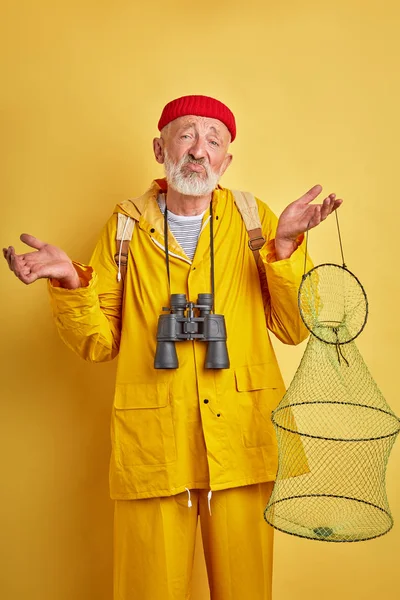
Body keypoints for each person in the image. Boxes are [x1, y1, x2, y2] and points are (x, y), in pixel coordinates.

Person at [3, 95, 342, 600]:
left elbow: (293, 329)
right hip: (153, 442)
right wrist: (72, 282)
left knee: (247, 589)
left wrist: (286, 249)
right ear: (160, 147)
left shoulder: (256, 221)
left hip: (242, 435)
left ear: (227, 159)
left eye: (214, 139)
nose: (199, 150)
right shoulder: (125, 226)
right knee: (147, 590)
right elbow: (99, 343)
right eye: (186, 135)